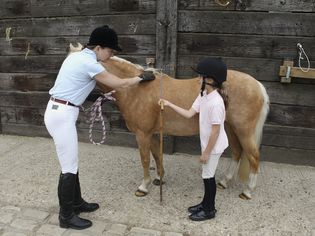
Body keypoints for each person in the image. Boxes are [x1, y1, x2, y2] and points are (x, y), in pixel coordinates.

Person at [44, 25, 155, 230]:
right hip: (62, 115)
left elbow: (73, 85)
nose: (111, 55)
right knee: (68, 167)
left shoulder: (76, 58)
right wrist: (140, 77)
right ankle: (66, 216)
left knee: (72, 163)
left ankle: (76, 203)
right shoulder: (89, 62)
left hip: (60, 110)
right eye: (110, 51)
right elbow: (118, 83)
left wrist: (96, 96)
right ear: (99, 48)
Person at [159, 58, 228, 221]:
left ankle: (209, 210)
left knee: (208, 177)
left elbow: (215, 132)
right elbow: (189, 113)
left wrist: (206, 152)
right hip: (208, 145)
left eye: (201, 76)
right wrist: (169, 104)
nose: (198, 79)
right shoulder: (204, 95)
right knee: (206, 175)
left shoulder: (217, 103)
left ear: (210, 80)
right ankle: (205, 204)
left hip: (214, 146)